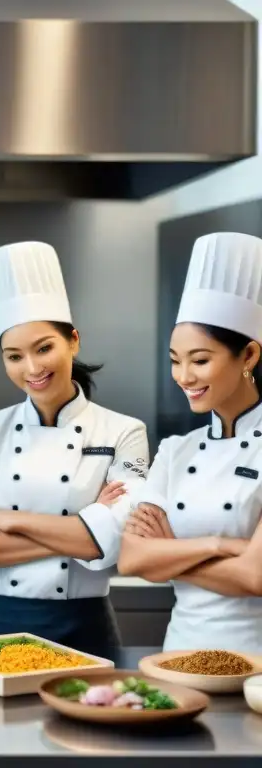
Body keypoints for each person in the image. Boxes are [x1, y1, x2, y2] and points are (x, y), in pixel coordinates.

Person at [0, 241, 150, 663]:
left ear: (73, 341)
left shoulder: (125, 430)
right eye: (14, 356)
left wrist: (7, 519)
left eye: (43, 348)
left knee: (87, 728)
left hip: (84, 625)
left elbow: (113, 542)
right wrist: (80, 527)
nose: (32, 369)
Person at [120, 232, 262, 653]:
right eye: (174, 361)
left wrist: (168, 554)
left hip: (255, 666)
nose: (183, 376)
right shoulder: (175, 451)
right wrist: (220, 546)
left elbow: (256, 577)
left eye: (200, 360)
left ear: (249, 356)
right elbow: (131, 559)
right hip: (176, 659)